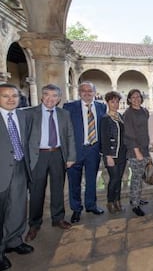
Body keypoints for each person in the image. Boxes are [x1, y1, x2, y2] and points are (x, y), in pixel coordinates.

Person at [25, 84, 76, 242]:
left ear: (59, 98)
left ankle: (58, 218)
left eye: (54, 96)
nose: (50, 99)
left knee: (57, 189)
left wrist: (71, 156)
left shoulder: (64, 114)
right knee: (36, 191)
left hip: (57, 154)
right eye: (47, 95)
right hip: (38, 156)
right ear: (42, 96)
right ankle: (34, 224)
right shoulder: (29, 113)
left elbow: (69, 136)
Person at [0, 83, 33, 271]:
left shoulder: (22, 115)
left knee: (18, 207)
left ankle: (14, 240)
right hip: (2, 171)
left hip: (20, 167)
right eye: (5, 96)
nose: (11, 99)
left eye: (14, 95)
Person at [63, 81, 107, 223]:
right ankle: (76, 209)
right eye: (84, 90)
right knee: (74, 182)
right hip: (75, 151)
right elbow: (65, 132)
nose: (87, 93)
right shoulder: (69, 107)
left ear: (95, 93)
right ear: (79, 92)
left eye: (90, 91)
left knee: (91, 180)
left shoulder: (101, 107)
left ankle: (91, 205)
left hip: (93, 150)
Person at [100, 91, 127, 214]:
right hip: (111, 154)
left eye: (117, 101)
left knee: (119, 178)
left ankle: (118, 201)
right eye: (112, 102)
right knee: (114, 179)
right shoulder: (105, 118)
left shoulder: (120, 116)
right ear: (108, 102)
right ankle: (110, 201)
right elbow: (104, 139)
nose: (115, 104)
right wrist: (108, 156)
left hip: (121, 153)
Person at [123, 89, 149, 216]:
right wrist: (136, 151)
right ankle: (134, 204)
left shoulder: (144, 111)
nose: (136, 99)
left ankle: (137, 198)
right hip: (135, 151)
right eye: (133, 97)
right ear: (129, 99)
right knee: (136, 178)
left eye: (138, 96)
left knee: (140, 177)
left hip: (145, 149)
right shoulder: (128, 113)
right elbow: (129, 134)